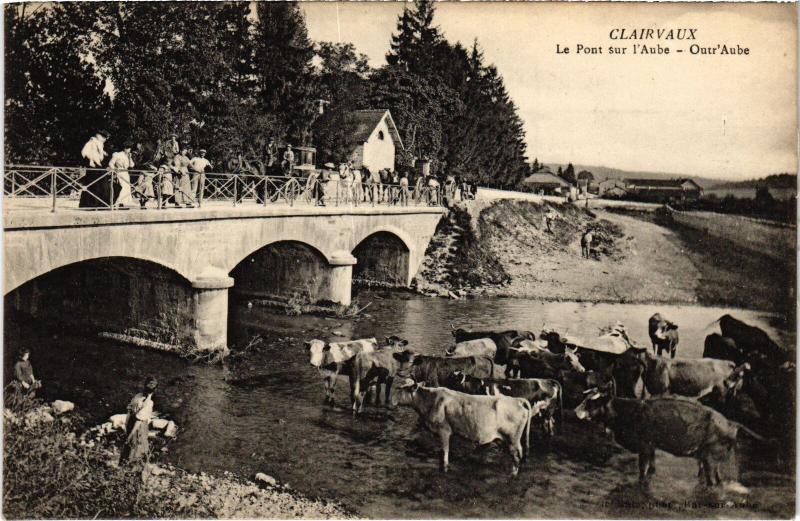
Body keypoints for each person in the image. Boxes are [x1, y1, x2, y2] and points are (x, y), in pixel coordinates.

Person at [119, 377, 158, 466]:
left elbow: (139, 419)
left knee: (134, 443)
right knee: (127, 444)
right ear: (145, 385)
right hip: (131, 421)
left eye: (153, 385)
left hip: (139, 425)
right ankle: (122, 464)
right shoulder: (138, 396)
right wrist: (126, 423)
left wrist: (131, 434)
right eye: (149, 383)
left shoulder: (149, 402)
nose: (150, 386)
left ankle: (131, 468)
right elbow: (129, 409)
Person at [79, 130, 119, 208]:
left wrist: (102, 153)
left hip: (98, 166)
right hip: (93, 166)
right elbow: (84, 152)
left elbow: (100, 154)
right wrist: (91, 159)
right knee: (96, 185)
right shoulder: (92, 142)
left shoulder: (100, 144)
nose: (105, 139)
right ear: (99, 136)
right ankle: (93, 204)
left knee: (102, 185)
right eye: (104, 137)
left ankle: (101, 203)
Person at [108, 142, 136, 208]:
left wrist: (129, 158)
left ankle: (122, 203)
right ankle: (116, 203)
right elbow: (111, 163)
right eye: (128, 148)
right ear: (124, 148)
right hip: (119, 172)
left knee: (126, 188)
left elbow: (132, 165)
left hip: (126, 173)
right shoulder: (117, 155)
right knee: (121, 187)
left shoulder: (128, 156)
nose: (129, 150)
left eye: (130, 148)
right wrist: (115, 170)